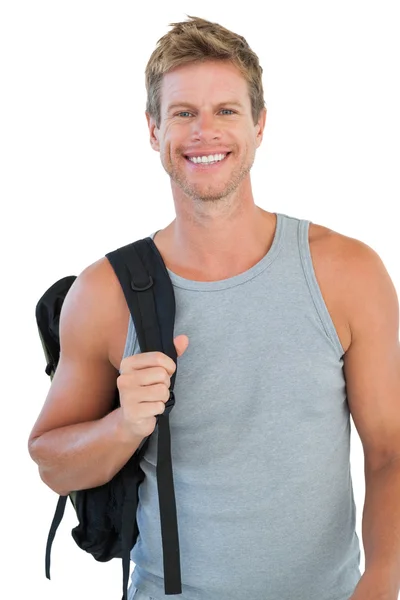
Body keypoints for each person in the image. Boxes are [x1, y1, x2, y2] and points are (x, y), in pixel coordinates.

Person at [28, 15, 400, 600]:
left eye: (226, 110)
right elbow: (52, 464)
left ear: (259, 124)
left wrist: (381, 581)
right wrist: (124, 424)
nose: (206, 132)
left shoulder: (348, 273)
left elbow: (389, 450)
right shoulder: (106, 292)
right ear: (154, 130)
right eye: (183, 113)